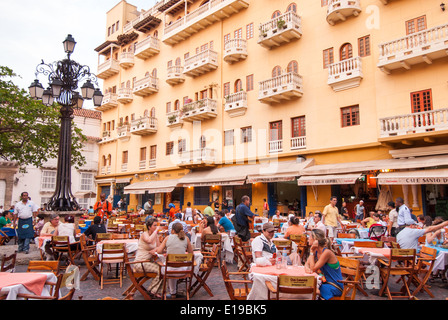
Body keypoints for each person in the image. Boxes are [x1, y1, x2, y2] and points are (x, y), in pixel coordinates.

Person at [155, 222, 194, 299]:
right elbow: (191, 253)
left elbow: (159, 251)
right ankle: (175, 292)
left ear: (172, 230)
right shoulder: (186, 238)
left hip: (168, 270)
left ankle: (173, 292)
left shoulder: (167, 238)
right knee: (176, 265)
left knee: (169, 266)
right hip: (183, 270)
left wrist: (166, 251)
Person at [305, 228, 344, 300]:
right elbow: (306, 264)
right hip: (324, 283)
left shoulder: (326, 252)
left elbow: (313, 268)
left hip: (334, 286)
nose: (308, 239)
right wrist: (308, 268)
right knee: (307, 286)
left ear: (315, 240)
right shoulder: (316, 251)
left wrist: (311, 251)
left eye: (310, 237)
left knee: (311, 289)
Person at [133, 218, 163, 298]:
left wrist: (155, 250)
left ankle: (157, 291)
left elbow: (159, 248)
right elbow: (149, 240)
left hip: (148, 262)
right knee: (161, 270)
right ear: (149, 227)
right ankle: (151, 291)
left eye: (157, 225)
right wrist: (156, 231)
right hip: (140, 262)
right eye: (154, 225)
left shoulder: (155, 235)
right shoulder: (144, 234)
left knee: (163, 269)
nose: (156, 227)